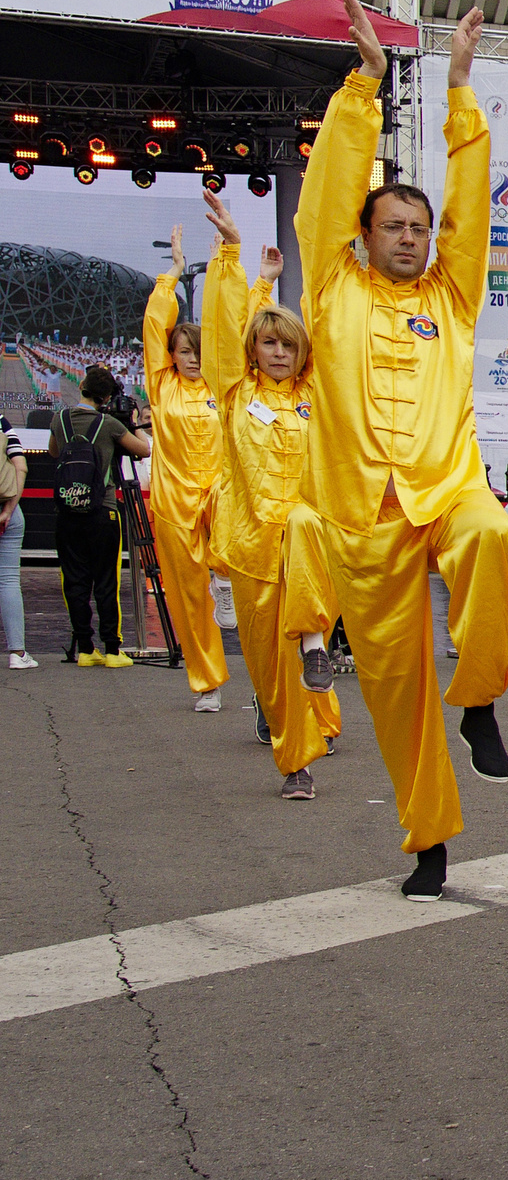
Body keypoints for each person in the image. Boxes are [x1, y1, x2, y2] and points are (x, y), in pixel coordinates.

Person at [299, 0, 508, 902]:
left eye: (420, 229)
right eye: (394, 226)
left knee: (493, 538)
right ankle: (427, 842)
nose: (411, 238)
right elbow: (323, 196)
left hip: (445, 489)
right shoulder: (330, 290)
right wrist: (364, 85)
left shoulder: (451, 298)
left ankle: (479, 696)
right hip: (362, 517)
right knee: (394, 694)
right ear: (364, 233)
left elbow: (472, 204)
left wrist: (460, 87)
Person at [200, 195, 346, 795]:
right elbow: (220, 328)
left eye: (289, 345)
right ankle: (295, 763)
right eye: (269, 345)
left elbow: (336, 331)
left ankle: (317, 647)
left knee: (309, 523)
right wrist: (236, 258)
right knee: (268, 667)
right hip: (253, 544)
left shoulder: (318, 394)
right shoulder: (235, 393)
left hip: (308, 539)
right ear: (253, 353)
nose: (280, 353)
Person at [142, 229, 230, 710]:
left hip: (221, 497)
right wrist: (173, 273)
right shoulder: (162, 387)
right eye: (184, 352)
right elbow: (154, 325)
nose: (193, 359)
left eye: (199, 351)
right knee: (189, 597)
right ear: (171, 356)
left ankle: (225, 575)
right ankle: (207, 682)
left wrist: (221, 269)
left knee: (238, 572)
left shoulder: (224, 383)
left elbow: (231, 322)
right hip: (175, 503)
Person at [49, 365, 151, 664]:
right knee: (106, 581)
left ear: (81, 386)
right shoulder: (108, 424)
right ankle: (111, 649)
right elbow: (143, 449)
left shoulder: (60, 419)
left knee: (75, 581)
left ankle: (84, 648)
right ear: (107, 397)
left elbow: (54, 452)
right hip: (102, 510)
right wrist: (130, 422)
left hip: (67, 511)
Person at [1, 407, 26, 669]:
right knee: (8, 580)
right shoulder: (1, 422)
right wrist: (8, 509)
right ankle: (17, 654)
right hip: (6, 511)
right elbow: (21, 466)